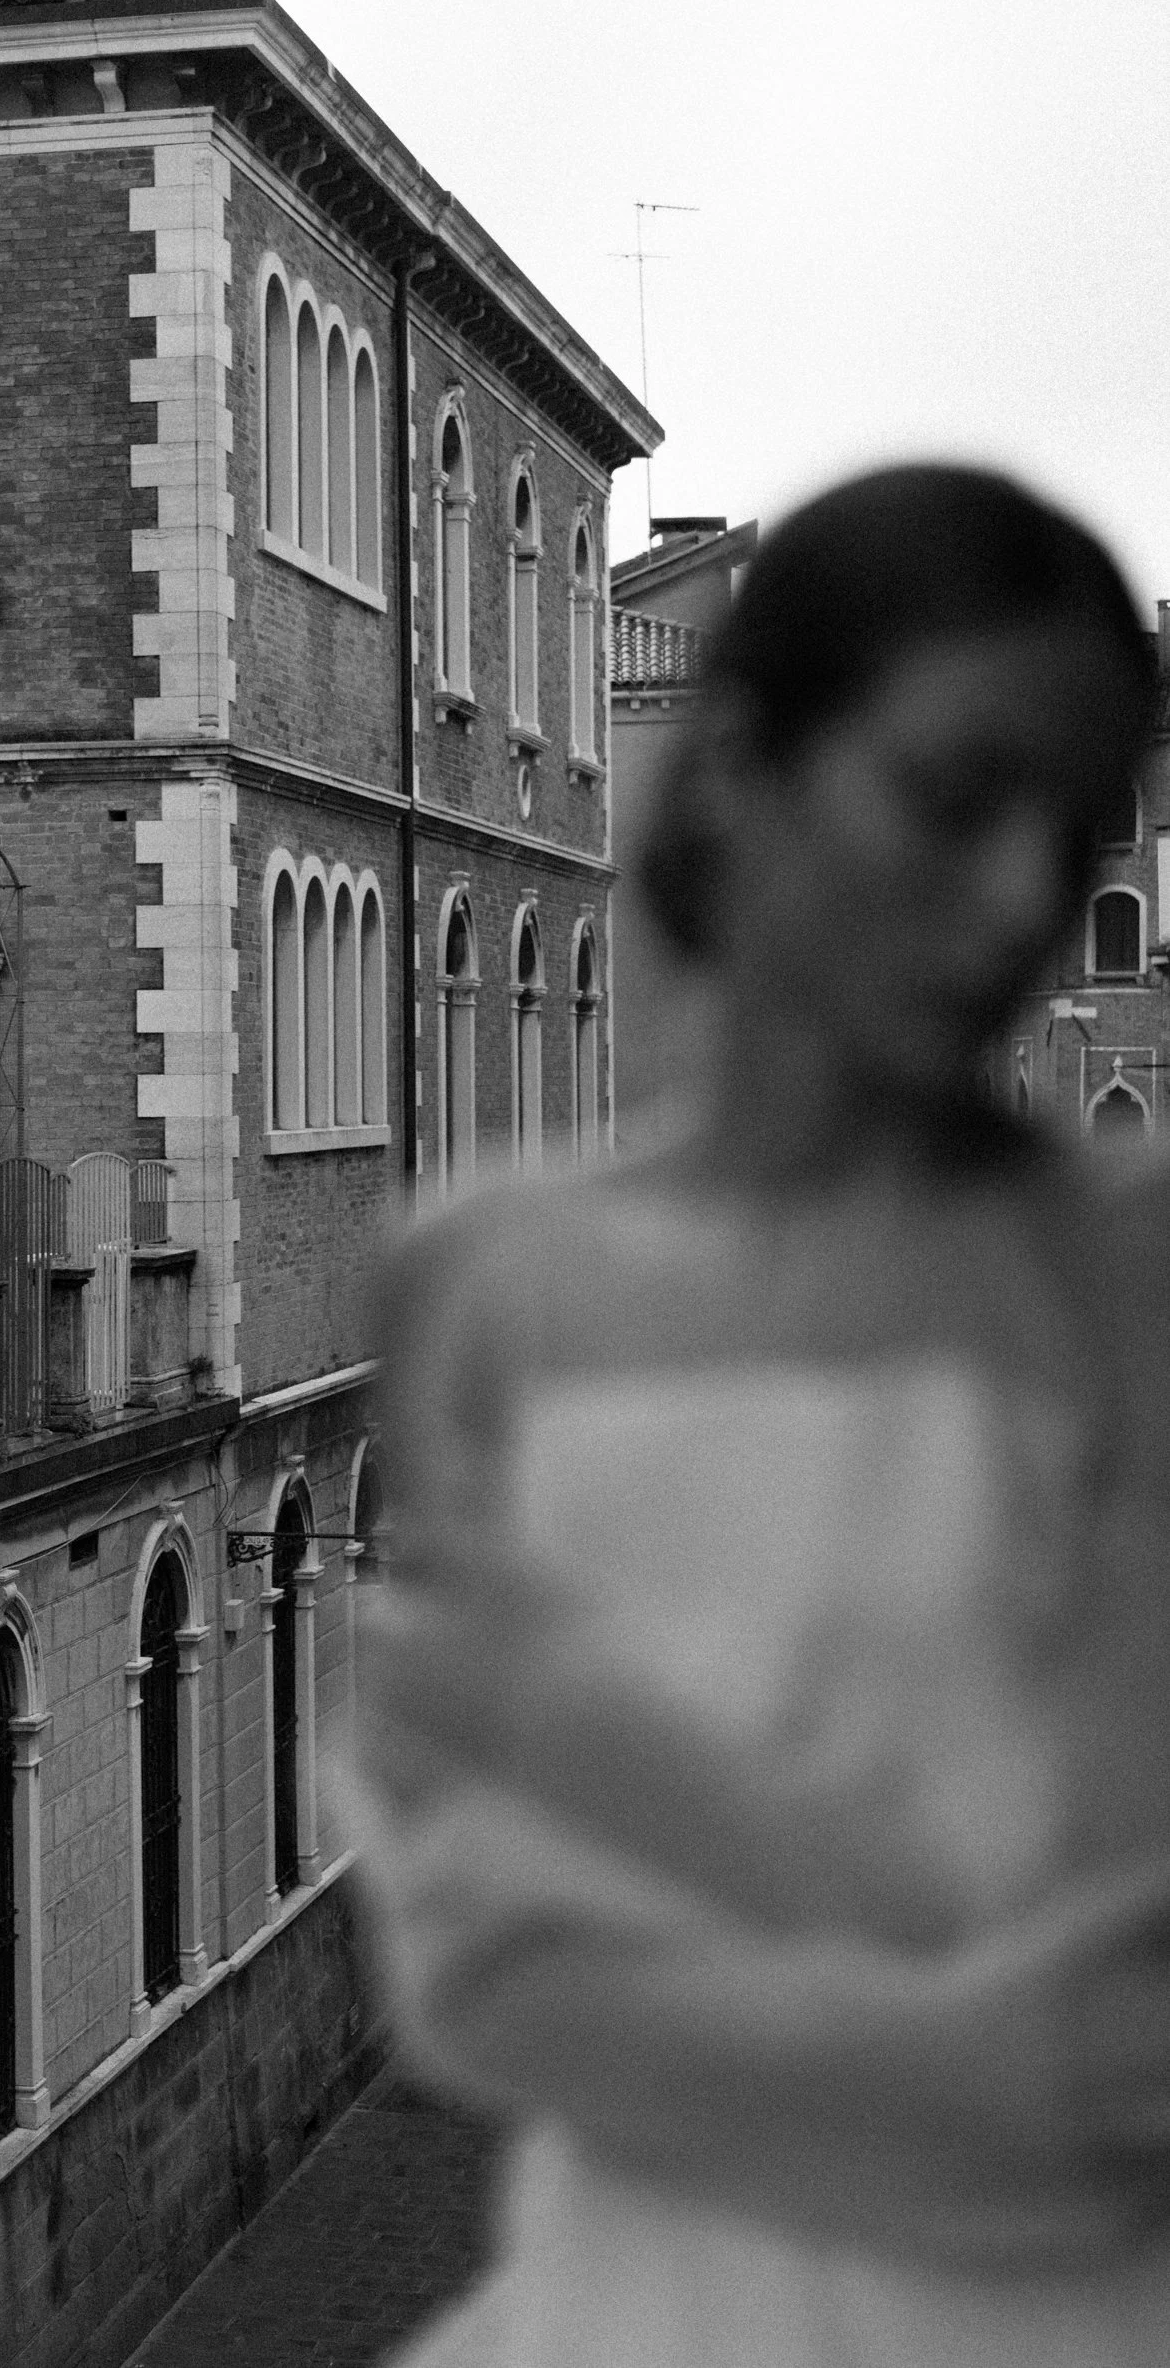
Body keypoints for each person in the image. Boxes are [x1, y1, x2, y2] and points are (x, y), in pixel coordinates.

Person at [349, 464, 1170, 2366]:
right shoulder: (484, 1283)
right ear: (738, 770)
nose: (1021, 902)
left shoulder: (1129, 1277)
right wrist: (955, 2017)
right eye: (952, 798)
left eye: (1072, 833)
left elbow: (1111, 2060)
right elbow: (478, 1988)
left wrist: (592, 1755)